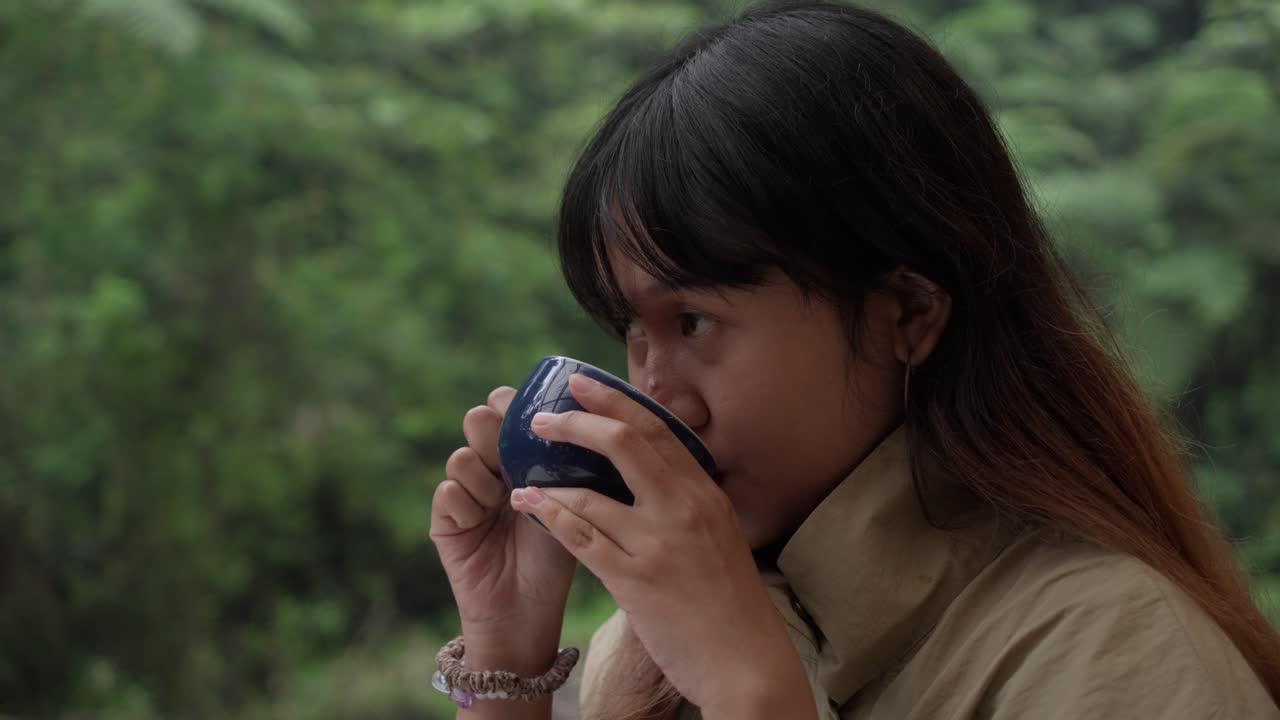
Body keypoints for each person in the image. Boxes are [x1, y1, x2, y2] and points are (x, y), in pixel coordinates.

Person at [427, 1, 1280, 718]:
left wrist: (752, 692)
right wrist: (507, 657)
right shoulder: (649, 647)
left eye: (694, 320)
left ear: (906, 313)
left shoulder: (1112, 653)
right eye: (631, 328)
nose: (660, 398)